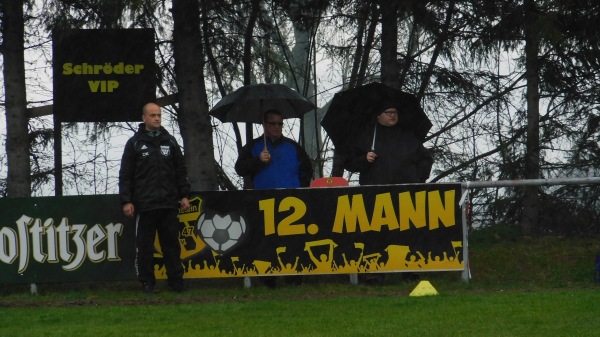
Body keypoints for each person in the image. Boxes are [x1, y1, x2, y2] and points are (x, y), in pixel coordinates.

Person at [344, 104, 433, 284]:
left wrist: (418, 178)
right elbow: (349, 162)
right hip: (375, 194)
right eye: (388, 112)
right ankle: (373, 272)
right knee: (374, 234)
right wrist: (364, 159)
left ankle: (410, 270)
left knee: (407, 233)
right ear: (378, 115)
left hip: (404, 194)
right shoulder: (367, 136)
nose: (393, 115)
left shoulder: (408, 137)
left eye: (395, 112)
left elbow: (425, 158)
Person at [235, 109, 313, 287]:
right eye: (273, 123)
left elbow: (307, 170)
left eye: (280, 123)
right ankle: (268, 278)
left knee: (293, 241)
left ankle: (294, 277)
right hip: (263, 200)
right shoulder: (254, 147)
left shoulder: (294, 147)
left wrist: (299, 188)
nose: (277, 127)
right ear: (264, 125)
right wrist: (258, 161)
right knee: (266, 240)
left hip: (291, 201)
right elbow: (240, 168)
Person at [119, 102, 191, 294]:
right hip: (145, 204)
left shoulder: (171, 141)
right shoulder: (134, 143)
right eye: (152, 115)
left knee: (172, 246)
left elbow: (180, 171)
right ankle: (147, 282)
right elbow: (125, 174)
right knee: (144, 246)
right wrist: (126, 200)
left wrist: (184, 195)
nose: (157, 118)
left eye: (159, 115)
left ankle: (176, 282)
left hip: (168, 203)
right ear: (144, 118)